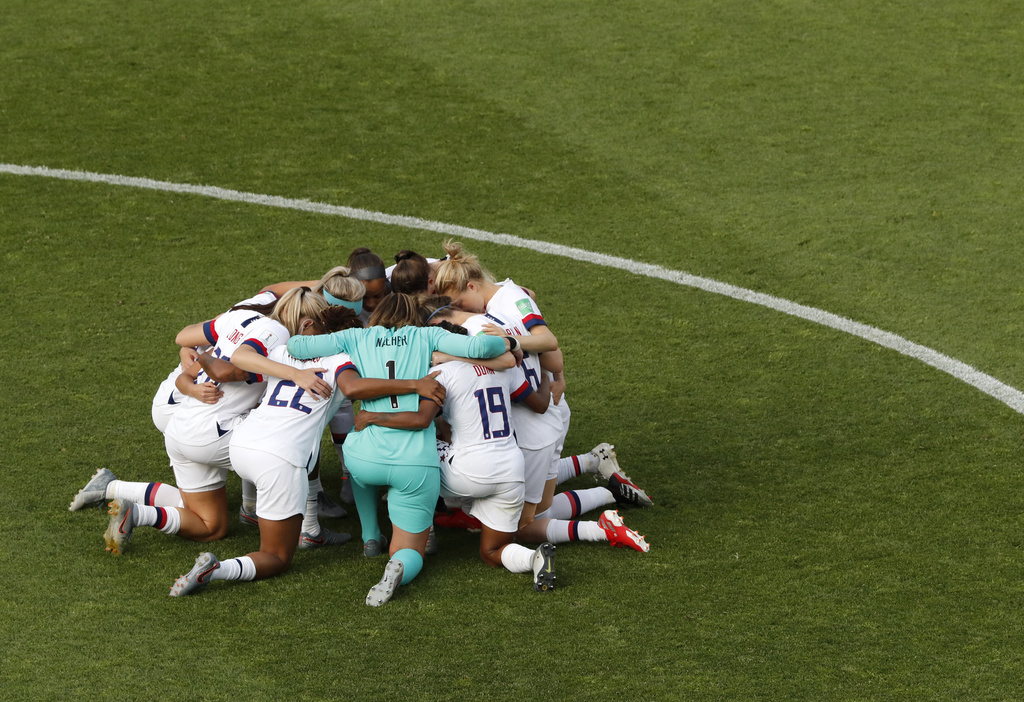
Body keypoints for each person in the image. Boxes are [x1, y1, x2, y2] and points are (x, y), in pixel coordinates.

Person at [169, 297, 446, 596]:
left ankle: (278, 516)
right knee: (276, 556)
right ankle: (218, 569)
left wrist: (202, 356)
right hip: (279, 456)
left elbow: (231, 367)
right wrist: (415, 384)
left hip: (241, 445)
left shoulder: (279, 352)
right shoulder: (343, 361)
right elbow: (356, 387)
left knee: (300, 463)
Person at [286, 292, 513, 606]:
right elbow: (480, 347)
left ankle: (369, 535)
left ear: (378, 313)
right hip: (414, 463)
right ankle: (399, 564)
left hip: (365, 454)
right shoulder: (427, 335)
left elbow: (297, 346)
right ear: (413, 317)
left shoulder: (357, 336)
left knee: (357, 457)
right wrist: (510, 342)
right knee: (411, 548)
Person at [100, 288, 330, 555]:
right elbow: (238, 360)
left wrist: (197, 370)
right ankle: (306, 529)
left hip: (180, 428)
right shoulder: (279, 335)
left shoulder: (241, 316)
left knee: (212, 527)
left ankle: (134, 511)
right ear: (306, 324)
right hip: (211, 435)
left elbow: (190, 346)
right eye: (320, 335)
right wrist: (297, 374)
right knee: (287, 451)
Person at [422, 300, 650, 555]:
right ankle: (598, 470)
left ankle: (600, 524)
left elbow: (421, 419)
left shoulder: (444, 371)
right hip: (539, 430)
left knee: (527, 525)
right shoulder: (499, 334)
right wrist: (547, 376)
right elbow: (540, 392)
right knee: (539, 506)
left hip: (525, 444)